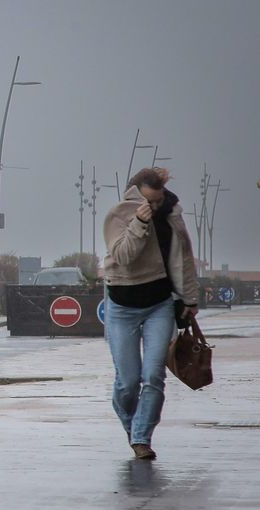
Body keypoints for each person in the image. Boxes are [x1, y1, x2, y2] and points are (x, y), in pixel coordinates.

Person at [103, 167, 199, 460]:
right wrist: (139, 223)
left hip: (160, 304)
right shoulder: (119, 215)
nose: (155, 206)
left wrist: (190, 300)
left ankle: (142, 437)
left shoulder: (171, 214)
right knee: (127, 381)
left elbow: (183, 258)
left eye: (158, 200)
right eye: (150, 201)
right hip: (122, 306)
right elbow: (123, 258)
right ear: (136, 195)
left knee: (154, 375)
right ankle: (131, 427)